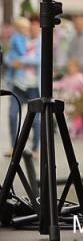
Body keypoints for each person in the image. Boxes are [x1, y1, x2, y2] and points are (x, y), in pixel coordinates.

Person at [5, 15, 41, 152]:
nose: (32, 29)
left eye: (35, 26)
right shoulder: (20, 39)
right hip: (18, 85)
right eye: (29, 26)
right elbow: (8, 57)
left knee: (36, 120)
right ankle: (14, 147)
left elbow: (39, 59)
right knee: (13, 114)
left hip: (34, 87)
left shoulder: (42, 42)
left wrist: (21, 61)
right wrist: (13, 62)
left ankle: (36, 149)